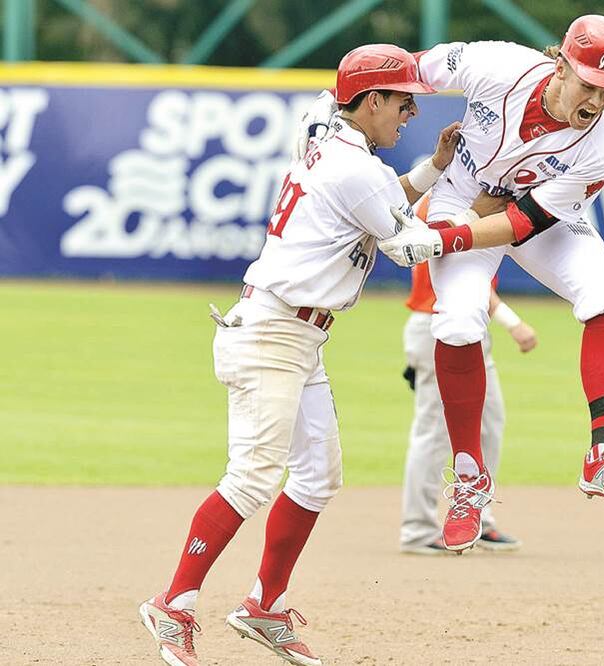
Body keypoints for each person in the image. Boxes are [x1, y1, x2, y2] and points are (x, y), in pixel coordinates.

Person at [138, 44, 457, 666]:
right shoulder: (355, 168)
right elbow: (406, 244)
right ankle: (172, 604)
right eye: (401, 99)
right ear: (368, 101)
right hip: (273, 331)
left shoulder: (327, 132)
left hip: (298, 335)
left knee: (318, 476)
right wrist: (494, 222)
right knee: (253, 476)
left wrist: (434, 168)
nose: (411, 111)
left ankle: (264, 606)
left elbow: (376, 199)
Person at [378, 15, 604, 553]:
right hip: (459, 198)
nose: (597, 101)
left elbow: (521, 224)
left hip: (529, 221)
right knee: (456, 322)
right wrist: (336, 108)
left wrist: (440, 241)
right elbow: (410, 70)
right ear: (560, 65)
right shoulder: (495, 64)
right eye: (589, 84)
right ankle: (469, 480)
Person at [399, 196, 536, 555]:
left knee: (490, 422)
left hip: (470, 329)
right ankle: (418, 529)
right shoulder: (440, 204)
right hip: (438, 325)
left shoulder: (483, 196)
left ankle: (479, 514)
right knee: (434, 431)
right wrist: (513, 323)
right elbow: (462, 278)